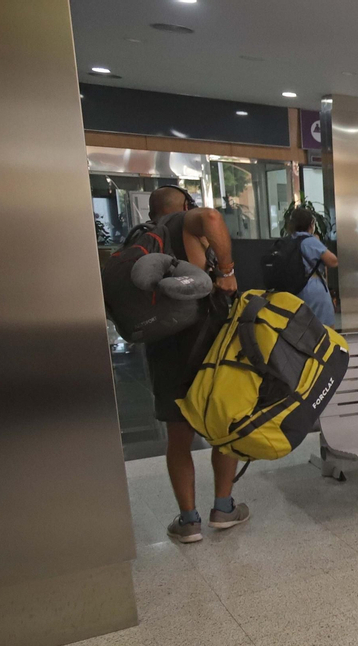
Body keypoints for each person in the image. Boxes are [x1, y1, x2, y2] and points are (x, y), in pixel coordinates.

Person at [141, 186, 252, 544]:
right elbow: (213, 218)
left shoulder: (142, 241)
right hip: (206, 343)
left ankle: (188, 521)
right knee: (222, 423)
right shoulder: (183, 223)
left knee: (178, 436)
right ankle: (223, 508)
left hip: (163, 347)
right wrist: (227, 269)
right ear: (185, 206)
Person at [285, 207, 338, 327]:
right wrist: (318, 242)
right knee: (326, 331)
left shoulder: (289, 240)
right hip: (313, 289)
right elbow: (333, 261)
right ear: (311, 224)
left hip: (295, 289)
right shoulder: (310, 241)